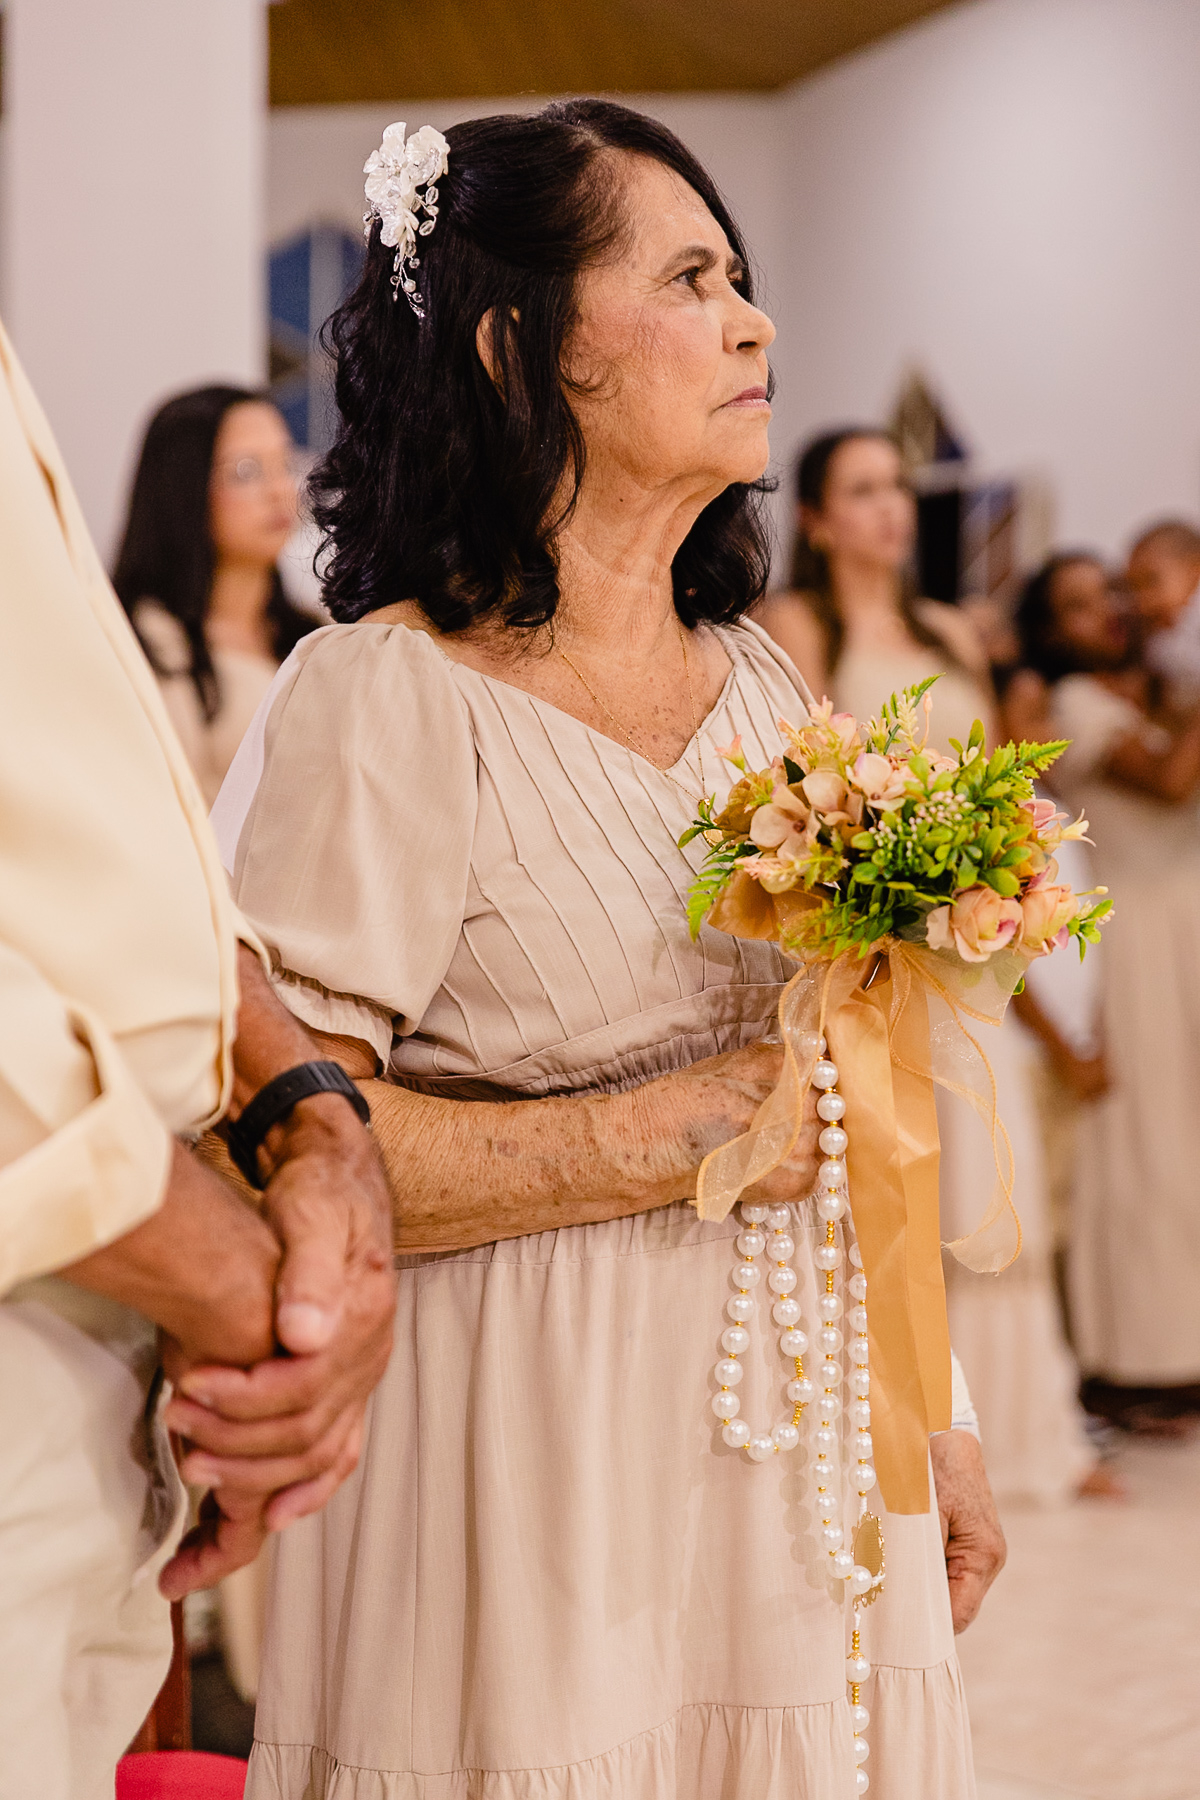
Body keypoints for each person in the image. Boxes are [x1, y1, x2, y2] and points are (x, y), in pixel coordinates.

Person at [214, 103, 1002, 1800]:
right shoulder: (388, 698)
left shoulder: (768, 690)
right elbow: (280, 1146)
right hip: (528, 1462)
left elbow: (859, 1093)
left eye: (747, 277)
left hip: (797, 1462)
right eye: (692, 275)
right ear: (524, 347)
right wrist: (644, 1138)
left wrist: (938, 1423)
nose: (754, 321)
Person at [0, 318, 396, 1799]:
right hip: (85, 1224)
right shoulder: (162, 628)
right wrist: (239, 1286)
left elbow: (132, 871)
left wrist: (309, 1117)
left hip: (137, 1243)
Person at [759, 428, 1100, 1506]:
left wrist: (1000, 870)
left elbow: (1003, 776)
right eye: (861, 491)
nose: (889, 510)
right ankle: (904, 1426)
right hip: (876, 937)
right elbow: (812, 772)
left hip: (970, 932)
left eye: (896, 489)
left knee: (989, 1179)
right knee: (905, 1176)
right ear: (814, 517)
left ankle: (1029, 1435)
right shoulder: (797, 623)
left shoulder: (951, 627)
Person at [1010, 552, 1200, 1432]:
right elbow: (1169, 781)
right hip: (1139, 943)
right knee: (1146, 1155)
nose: (1110, 613)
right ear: (1051, 631)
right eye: (1080, 604)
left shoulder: (1156, 691)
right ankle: (1133, 1360)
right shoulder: (1076, 709)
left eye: (1111, 594)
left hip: (1189, 928)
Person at [114, 386, 316, 806]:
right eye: (246, 471)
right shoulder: (146, 643)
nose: (279, 490)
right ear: (184, 487)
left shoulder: (318, 633)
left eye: (285, 464)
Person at [1125, 518, 1200, 707]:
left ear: (1195, 571)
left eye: (1151, 581)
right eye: (1135, 588)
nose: (1143, 600)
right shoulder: (1159, 639)